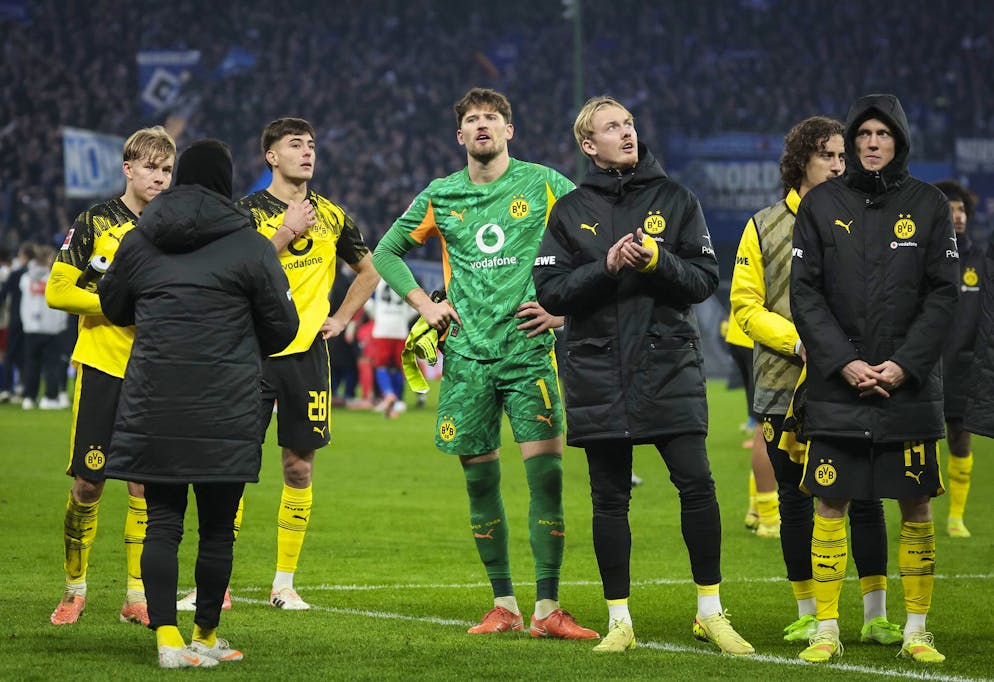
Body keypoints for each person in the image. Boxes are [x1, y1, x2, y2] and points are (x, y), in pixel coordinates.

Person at [373, 87, 598, 641]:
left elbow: (594, 240)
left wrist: (563, 312)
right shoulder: (441, 194)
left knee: (546, 479)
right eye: (472, 120)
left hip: (527, 352)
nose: (482, 126)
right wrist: (426, 305)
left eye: (492, 119)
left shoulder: (544, 183)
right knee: (480, 485)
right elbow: (384, 252)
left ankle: (548, 608)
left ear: (508, 131)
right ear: (460, 136)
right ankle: (504, 605)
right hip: (467, 358)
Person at [534, 95, 753, 656]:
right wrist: (604, 269)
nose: (626, 133)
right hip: (598, 372)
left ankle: (710, 611)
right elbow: (551, 292)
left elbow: (705, 280)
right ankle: (620, 622)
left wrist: (658, 261)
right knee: (609, 500)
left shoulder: (677, 200)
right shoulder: (569, 210)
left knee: (698, 486)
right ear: (589, 145)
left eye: (629, 124)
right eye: (612, 127)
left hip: (668, 367)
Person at [99, 139, 299, 668]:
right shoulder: (251, 244)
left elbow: (113, 306)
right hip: (226, 406)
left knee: (162, 522)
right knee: (216, 526)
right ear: (227, 183)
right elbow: (283, 329)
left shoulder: (141, 238)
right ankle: (205, 639)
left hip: (155, 401)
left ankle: (167, 640)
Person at [790, 94, 958, 664]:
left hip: (907, 388)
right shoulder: (821, 205)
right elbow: (805, 294)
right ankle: (827, 630)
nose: (870, 143)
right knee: (830, 504)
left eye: (882, 134)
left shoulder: (930, 204)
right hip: (839, 387)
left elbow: (944, 295)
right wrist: (844, 362)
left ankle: (915, 629)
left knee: (915, 506)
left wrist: (904, 365)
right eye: (863, 134)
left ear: (900, 140)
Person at [731, 115, 901, 646]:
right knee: (793, 499)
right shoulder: (763, 225)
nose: (837, 164)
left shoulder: (865, 220)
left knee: (867, 495)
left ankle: (875, 614)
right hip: (785, 382)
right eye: (827, 155)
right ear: (801, 160)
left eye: (841, 157)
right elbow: (744, 306)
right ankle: (809, 609)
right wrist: (799, 342)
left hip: (853, 380)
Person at [227, 117, 378, 610]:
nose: (308, 152)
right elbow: (231, 273)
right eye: (296, 145)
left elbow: (371, 270)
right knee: (229, 468)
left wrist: (340, 317)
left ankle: (284, 583)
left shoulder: (332, 215)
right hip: (247, 352)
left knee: (298, 467)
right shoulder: (245, 213)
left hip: (306, 355)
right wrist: (284, 235)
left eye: (312, 145)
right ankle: (217, 585)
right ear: (271, 155)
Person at [45, 126, 176, 625]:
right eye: (150, 167)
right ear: (128, 168)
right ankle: (74, 589)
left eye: (166, 169)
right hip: (103, 367)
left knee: (144, 486)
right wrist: (116, 304)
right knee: (88, 484)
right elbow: (58, 291)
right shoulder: (96, 221)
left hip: (155, 372)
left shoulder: (175, 228)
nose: (159, 177)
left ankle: (136, 598)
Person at [933, 180, 983, 538]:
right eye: (950, 210)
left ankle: (956, 516)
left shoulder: (981, 260)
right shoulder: (924, 256)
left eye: (962, 209)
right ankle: (921, 511)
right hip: (927, 364)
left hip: (965, 366)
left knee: (960, 439)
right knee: (921, 441)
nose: (958, 216)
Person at [722, 309, 780, 537]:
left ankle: (757, 509)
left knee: (764, 423)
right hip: (763, 337)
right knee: (768, 424)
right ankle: (769, 518)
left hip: (741, 333)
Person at [19, 244, 68, 409]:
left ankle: (29, 398)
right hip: (52, 329)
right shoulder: (54, 279)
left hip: (31, 328)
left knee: (31, 364)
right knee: (51, 365)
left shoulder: (25, 279)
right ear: (49, 260)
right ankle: (50, 398)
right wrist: (62, 324)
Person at [369, 278, 414, 417]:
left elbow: (368, 303)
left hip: (383, 328)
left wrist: (377, 317)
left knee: (381, 365)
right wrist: (402, 318)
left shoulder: (376, 279)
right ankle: (399, 401)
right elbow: (414, 305)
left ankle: (388, 395)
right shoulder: (404, 277)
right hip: (400, 328)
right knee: (397, 365)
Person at [0, 242, 35, 402]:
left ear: (24, 257)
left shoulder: (16, 274)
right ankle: (23, 388)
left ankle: (6, 389)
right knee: (26, 356)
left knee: (9, 355)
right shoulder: (35, 275)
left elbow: (3, 295)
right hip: (32, 322)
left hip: (15, 320)